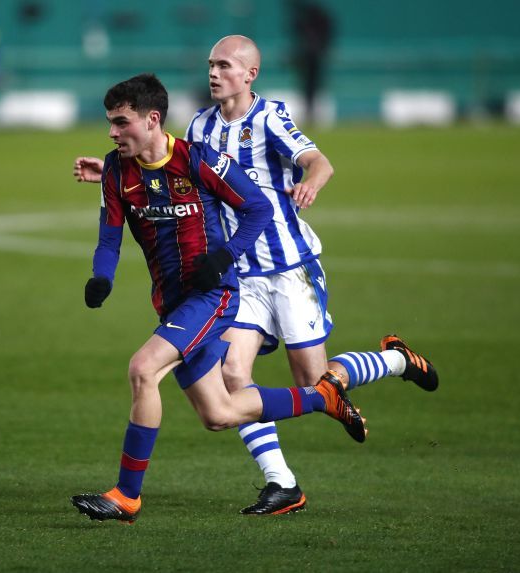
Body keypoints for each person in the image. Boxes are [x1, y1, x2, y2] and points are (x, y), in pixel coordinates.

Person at [73, 36, 438, 516]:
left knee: (310, 374)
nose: (214, 73)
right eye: (210, 64)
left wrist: (311, 180)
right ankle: (282, 482)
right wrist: (116, 172)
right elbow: (168, 165)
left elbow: (316, 161)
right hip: (231, 272)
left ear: (250, 74)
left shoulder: (269, 118)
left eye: (224, 65)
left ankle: (391, 362)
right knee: (227, 391)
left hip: (286, 265)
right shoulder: (200, 125)